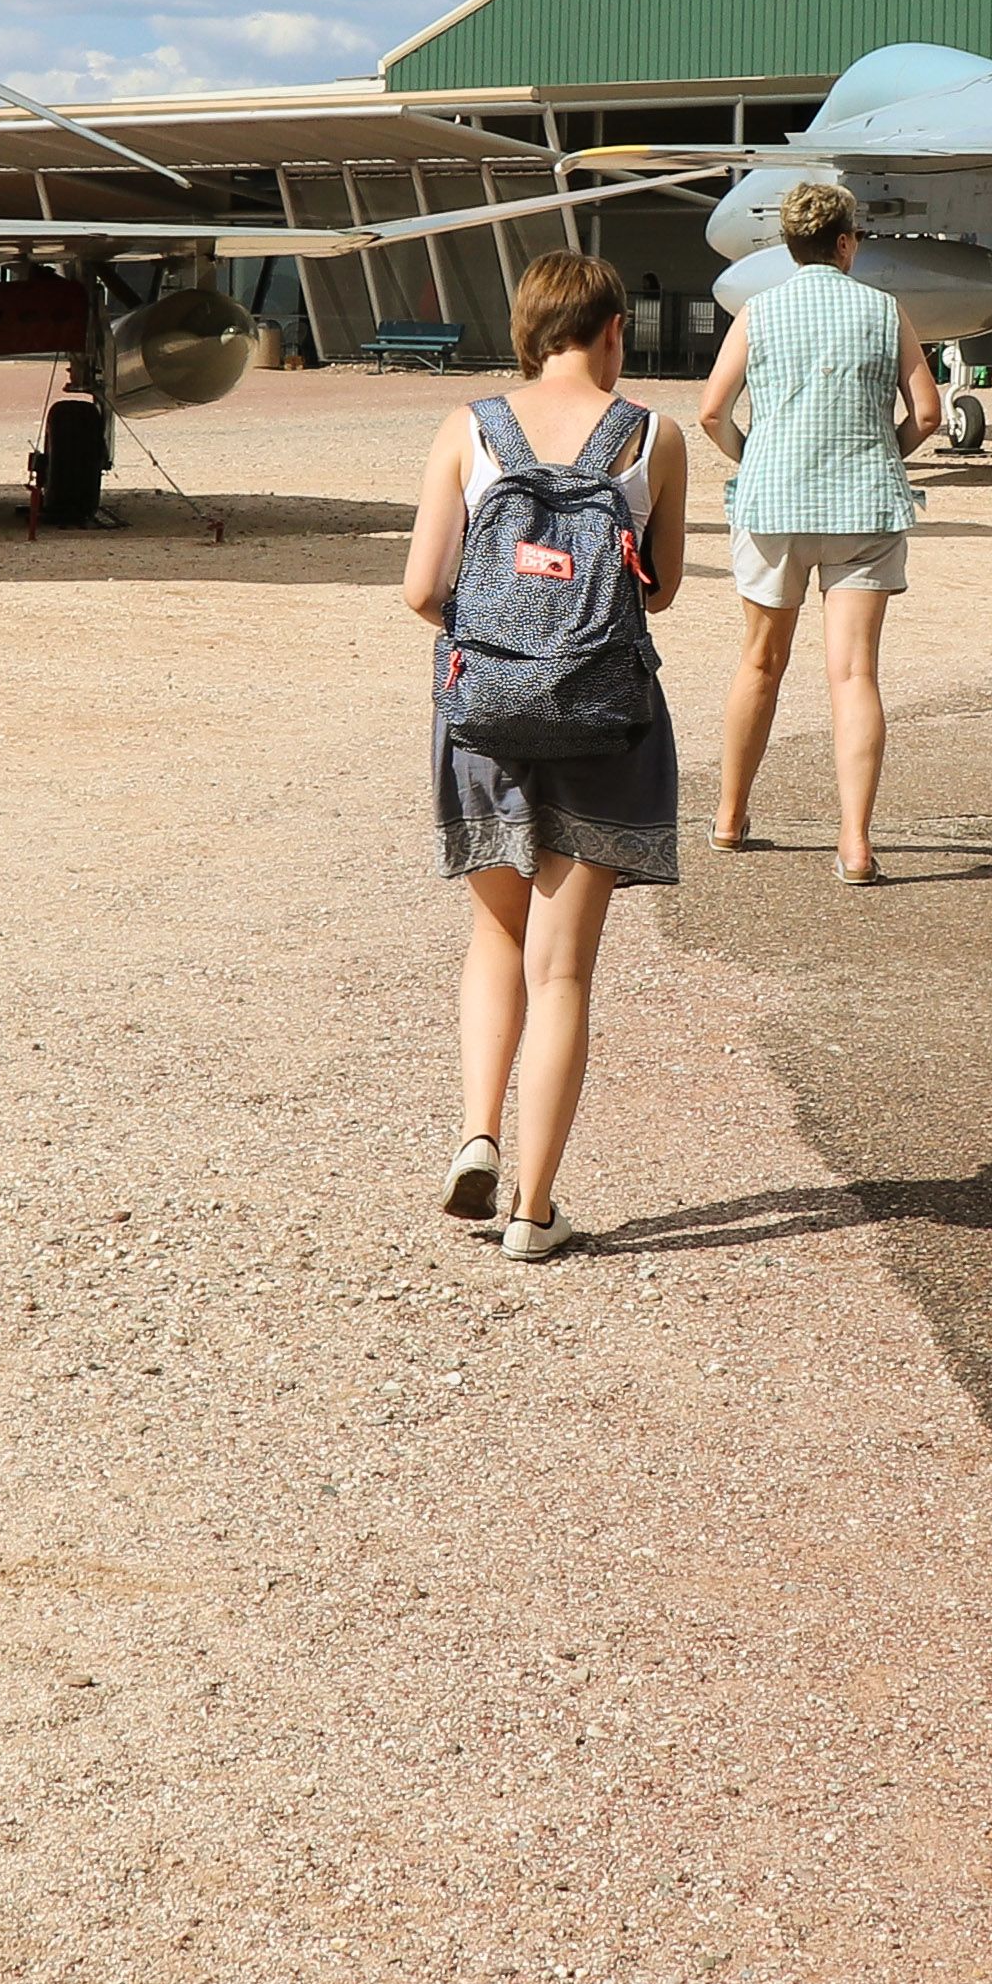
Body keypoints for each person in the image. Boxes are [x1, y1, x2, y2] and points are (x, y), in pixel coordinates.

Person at [400, 249, 687, 1263]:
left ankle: (478, 1131)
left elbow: (421, 587)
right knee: (563, 972)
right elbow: (660, 590)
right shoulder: (654, 435)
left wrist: (502, 631)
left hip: (487, 717)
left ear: (530, 328)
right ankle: (534, 1208)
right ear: (614, 330)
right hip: (605, 718)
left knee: (495, 943)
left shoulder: (468, 427)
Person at [691, 179, 939, 881]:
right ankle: (856, 843)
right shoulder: (885, 312)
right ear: (844, 242)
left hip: (772, 511)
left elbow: (712, 411)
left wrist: (755, 458)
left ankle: (729, 816)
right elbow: (926, 414)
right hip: (863, 509)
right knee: (854, 672)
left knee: (761, 662)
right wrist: (883, 451)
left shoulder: (758, 312)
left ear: (789, 245)